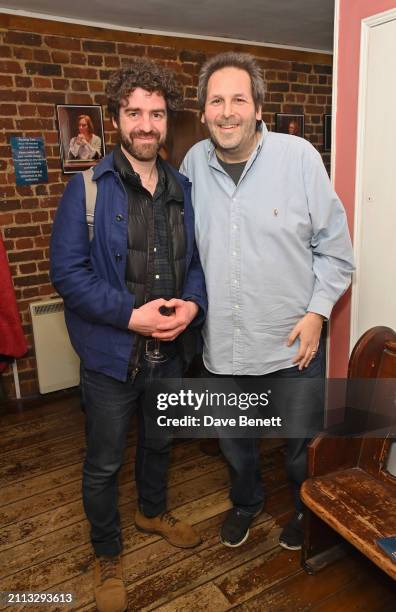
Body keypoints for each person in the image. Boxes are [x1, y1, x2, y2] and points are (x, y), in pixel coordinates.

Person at [180, 52, 354, 551]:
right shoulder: (193, 163)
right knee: (236, 443)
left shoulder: (298, 158)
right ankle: (246, 501)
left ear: (259, 108)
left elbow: (337, 252)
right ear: (204, 111)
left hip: (292, 341)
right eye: (217, 100)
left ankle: (305, 509)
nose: (227, 111)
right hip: (226, 343)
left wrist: (319, 313)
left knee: (300, 446)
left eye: (239, 99)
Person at [51, 59, 207, 612]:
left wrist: (192, 304)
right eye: (135, 112)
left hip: (170, 353)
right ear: (116, 117)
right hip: (112, 357)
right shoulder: (86, 190)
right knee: (105, 460)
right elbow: (68, 276)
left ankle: (150, 510)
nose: (146, 124)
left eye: (157, 114)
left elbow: (195, 263)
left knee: (161, 444)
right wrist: (130, 316)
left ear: (168, 120)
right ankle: (107, 551)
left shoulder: (183, 188)